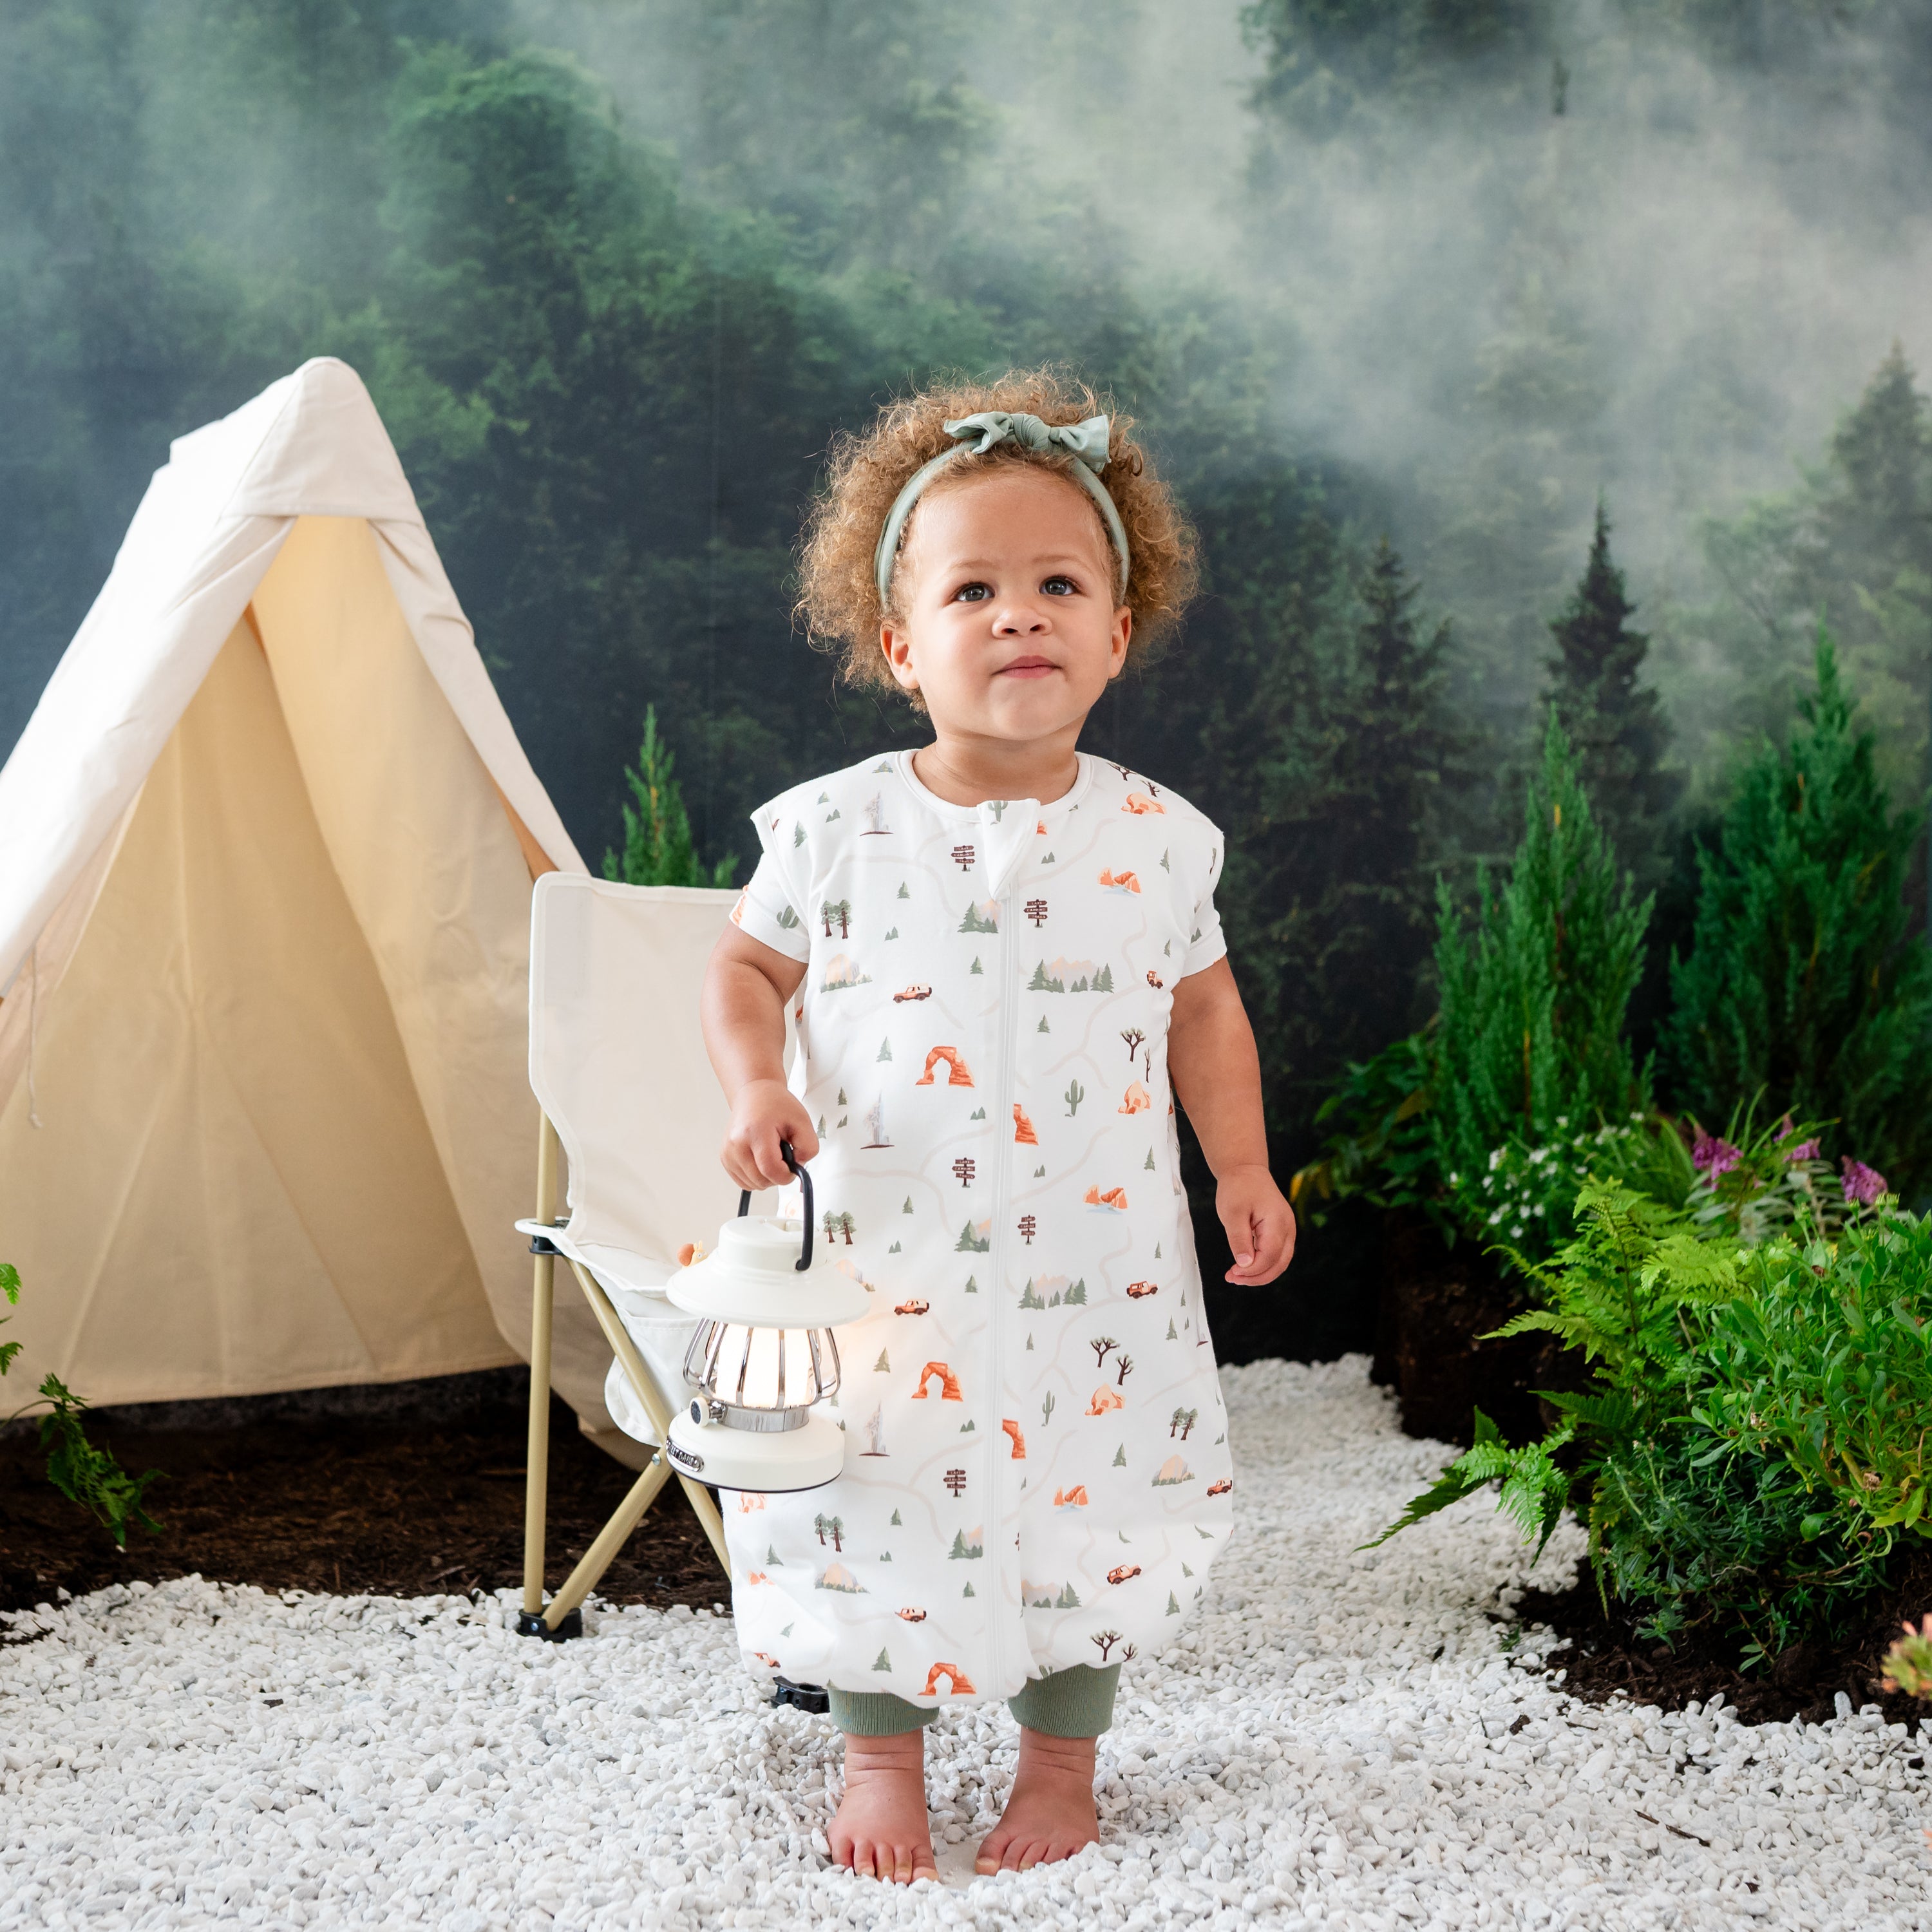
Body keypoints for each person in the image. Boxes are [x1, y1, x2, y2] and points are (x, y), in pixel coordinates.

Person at [700, 370, 1296, 1884]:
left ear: (1116, 629)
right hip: (885, 1257)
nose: (1018, 614)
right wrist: (758, 1084)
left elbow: (1204, 1013)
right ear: (904, 647)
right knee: (871, 1489)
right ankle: (881, 1758)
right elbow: (745, 969)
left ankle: (1058, 1765)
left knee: (1089, 1497)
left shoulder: (1157, 841)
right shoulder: (832, 831)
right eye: (974, 589)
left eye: (1057, 584)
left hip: (1095, 1261)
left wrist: (1239, 1162)